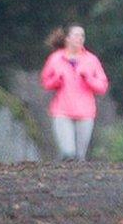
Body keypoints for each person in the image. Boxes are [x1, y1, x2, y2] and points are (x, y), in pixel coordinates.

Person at [40, 24, 109, 162]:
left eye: (82, 35)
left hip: (85, 113)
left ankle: (76, 182)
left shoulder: (91, 59)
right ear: (67, 38)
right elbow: (46, 82)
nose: (80, 38)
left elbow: (102, 86)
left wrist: (88, 78)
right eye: (76, 35)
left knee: (80, 156)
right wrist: (57, 80)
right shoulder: (56, 58)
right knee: (68, 152)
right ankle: (62, 176)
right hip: (62, 111)